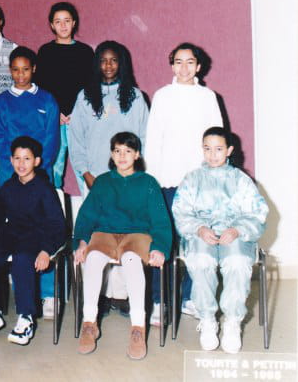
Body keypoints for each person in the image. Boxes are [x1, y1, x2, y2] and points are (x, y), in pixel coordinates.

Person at [73, 132, 172, 361]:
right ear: (111, 154)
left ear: (137, 155)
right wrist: (82, 241)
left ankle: (138, 328)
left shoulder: (148, 183)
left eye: (128, 151)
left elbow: (160, 221)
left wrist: (159, 247)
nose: (122, 156)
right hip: (105, 233)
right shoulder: (102, 182)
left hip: (137, 235)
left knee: (131, 260)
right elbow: (86, 216)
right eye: (117, 151)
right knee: (93, 258)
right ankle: (89, 323)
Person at [68, 41, 149, 312]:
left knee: (126, 232)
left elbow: (144, 137)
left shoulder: (135, 97)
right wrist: (86, 173)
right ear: (96, 64)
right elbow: (76, 140)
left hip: (127, 179)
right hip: (94, 178)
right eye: (103, 60)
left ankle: (122, 295)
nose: (108, 66)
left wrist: (135, 175)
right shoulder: (84, 97)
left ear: (121, 63)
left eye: (114, 60)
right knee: (97, 236)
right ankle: (99, 295)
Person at [145, 42, 223, 324]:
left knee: (196, 241)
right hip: (166, 179)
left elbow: (217, 137)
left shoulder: (208, 97)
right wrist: (152, 179)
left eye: (190, 62)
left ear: (198, 66)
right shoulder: (162, 96)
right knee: (163, 239)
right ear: (172, 65)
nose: (184, 68)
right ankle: (159, 300)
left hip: (199, 182)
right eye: (178, 62)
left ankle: (190, 297)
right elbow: (153, 139)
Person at [172, 127, 268, 354]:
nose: (212, 155)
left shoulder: (241, 180)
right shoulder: (192, 179)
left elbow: (257, 213)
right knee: (201, 260)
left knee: (237, 262)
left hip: (235, 234)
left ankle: (232, 321)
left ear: (229, 150)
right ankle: (207, 319)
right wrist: (199, 228)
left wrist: (237, 229)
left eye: (218, 149)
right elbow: (181, 211)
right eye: (207, 149)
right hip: (201, 234)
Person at [0, 136, 65, 346]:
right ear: (11, 160)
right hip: (12, 232)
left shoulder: (44, 189)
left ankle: (26, 318)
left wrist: (46, 250)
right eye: (17, 159)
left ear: (36, 161)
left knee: (22, 258)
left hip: (37, 236)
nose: (21, 164)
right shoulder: (8, 186)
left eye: (27, 159)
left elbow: (57, 225)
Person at [0, 45, 61, 317]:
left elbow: (51, 139)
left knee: (42, 230)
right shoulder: (1, 102)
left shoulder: (47, 100)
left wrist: (35, 168)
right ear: (10, 71)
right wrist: (16, 166)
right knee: (12, 231)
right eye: (16, 70)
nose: (21, 75)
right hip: (9, 171)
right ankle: (16, 294)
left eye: (26, 70)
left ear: (34, 69)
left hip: (39, 172)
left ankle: (47, 293)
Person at [34, 1, 94, 188]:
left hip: (80, 119)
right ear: (51, 25)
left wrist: (78, 113)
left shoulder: (85, 52)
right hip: (54, 120)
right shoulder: (45, 52)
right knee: (54, 170)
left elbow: (91, 87)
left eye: (67, 20)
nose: (63, 25)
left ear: (74, 23)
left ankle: (90, 206)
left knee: (85, 170)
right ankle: (54, 206)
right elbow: (40, 88)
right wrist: (55, 113)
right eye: (58, 21)